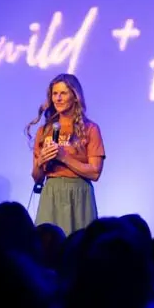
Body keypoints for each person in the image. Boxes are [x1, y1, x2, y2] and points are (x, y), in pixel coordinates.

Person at [26, 73, 105, 236]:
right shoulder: (45, 131)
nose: (58, 99)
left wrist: (64, 157)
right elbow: (36, 177)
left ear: (75, 97)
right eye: (55, 94)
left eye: (63, 93)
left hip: (79, 194)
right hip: (51, 193)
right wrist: (41, 161)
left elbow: (95, 172)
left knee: (79, 247)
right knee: (48, 245)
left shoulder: (90, 129)